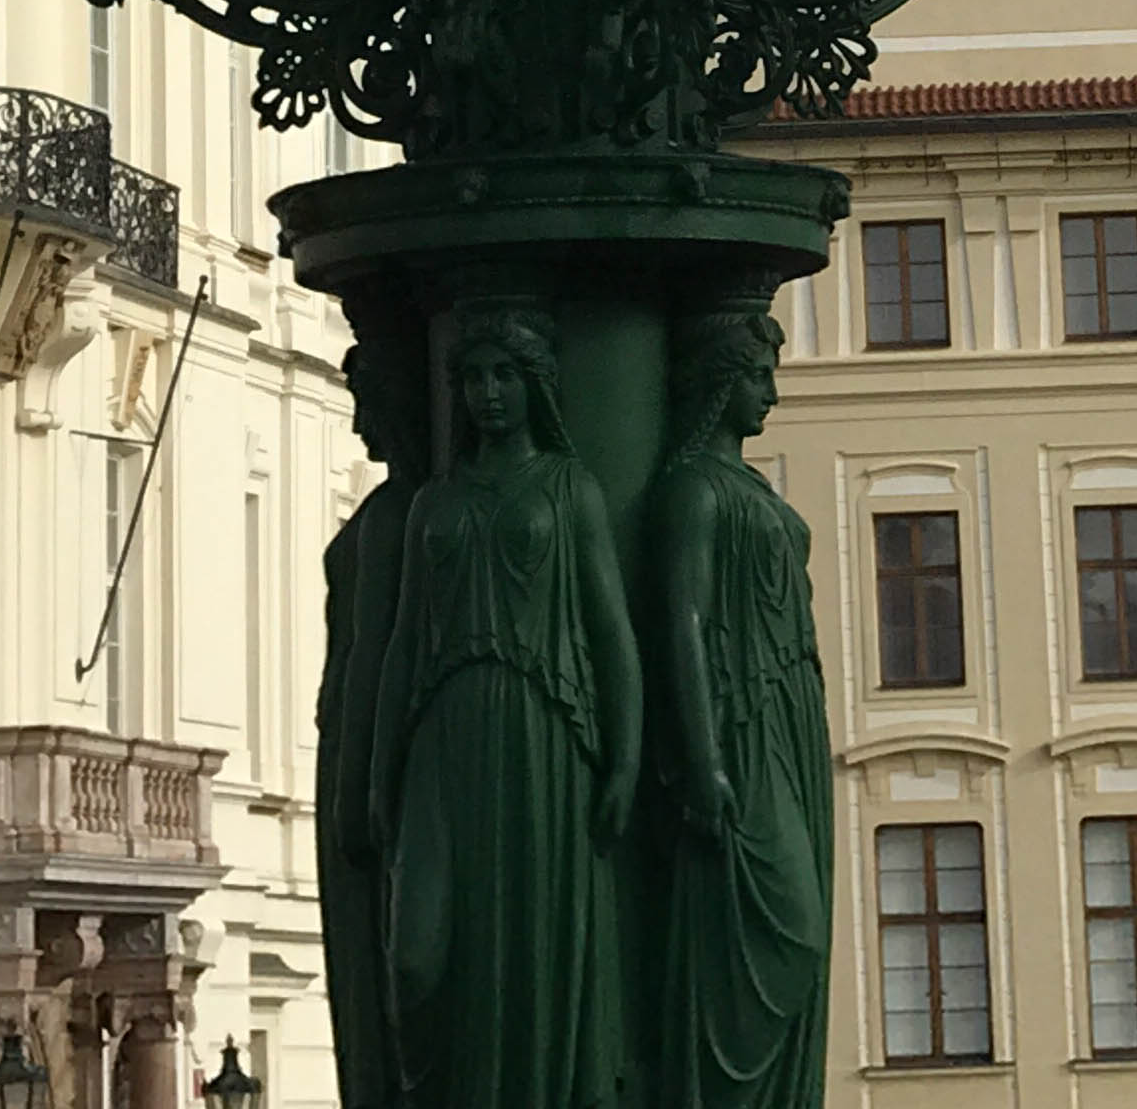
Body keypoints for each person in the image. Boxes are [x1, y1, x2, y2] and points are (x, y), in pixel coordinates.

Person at [372, 301, 639, 1109]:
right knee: (416, 958)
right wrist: (378, 775)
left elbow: (610, 631)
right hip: (444, 737)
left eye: (505, 377)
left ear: (536, 386)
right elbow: (402, 644)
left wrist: (624, 761)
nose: (488, 394)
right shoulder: (436, 502)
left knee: (535, 948)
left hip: (543, 737)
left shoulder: (568, 490)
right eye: (474, 378)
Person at [653, 308, 831, 1109]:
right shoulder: (694, 489)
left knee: (803, 933)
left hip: (790, 720)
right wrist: (703, 759)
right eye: (757, 376)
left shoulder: (746, 488)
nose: (770, 394)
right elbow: (681, 624)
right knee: (790, 932)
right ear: (720, 380)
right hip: (742, 723)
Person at [321, 336, 427, 1109]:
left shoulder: (403, 518)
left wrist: (360, 784)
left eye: (371, 405)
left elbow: (373, 662)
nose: (362, 426)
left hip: (369, 744)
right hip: (352, 738)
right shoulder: (388, 515)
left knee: (384, 960)